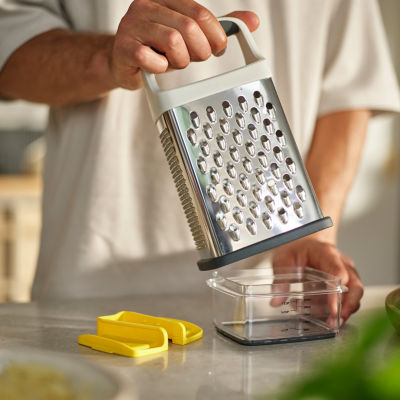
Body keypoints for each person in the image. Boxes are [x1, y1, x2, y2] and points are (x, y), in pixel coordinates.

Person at [0, 0, 398, 325]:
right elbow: (10, 56)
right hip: (90, 295)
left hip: (266, 298)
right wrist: (106, 58)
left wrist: (309, 234)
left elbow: (348, 95)